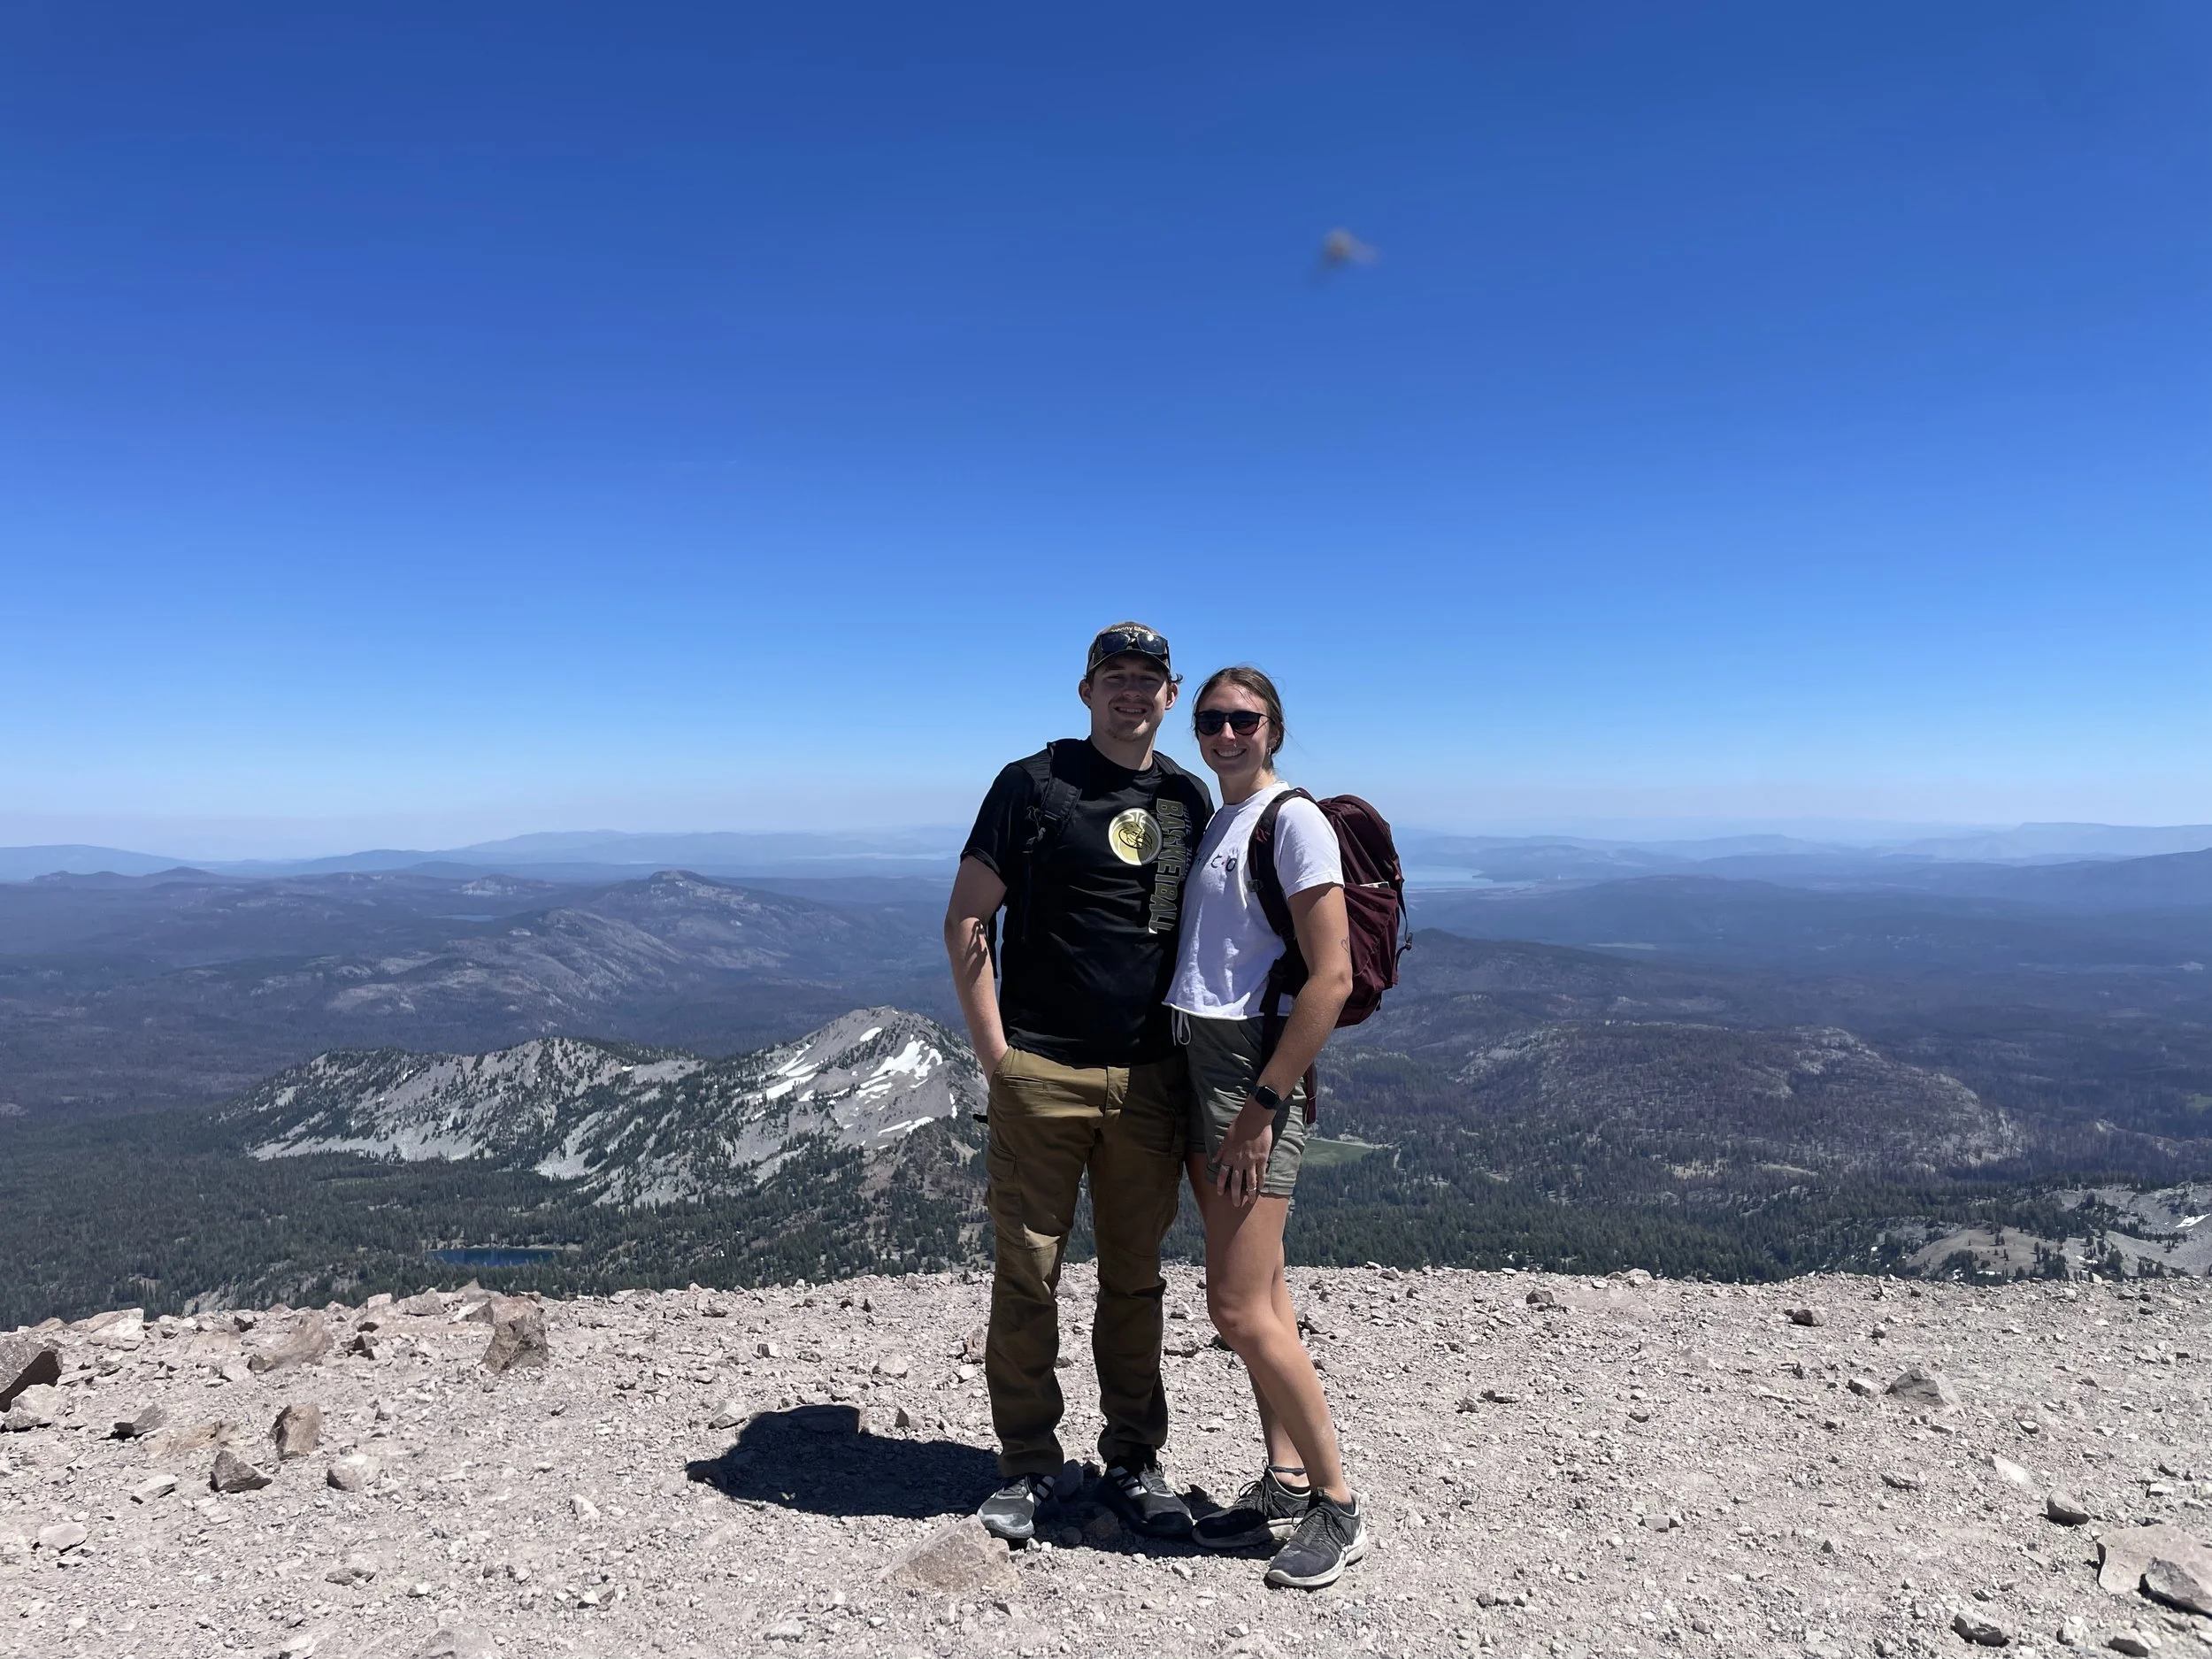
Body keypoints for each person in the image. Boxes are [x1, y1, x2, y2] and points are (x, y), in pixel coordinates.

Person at [944, 622, 1216, 1545]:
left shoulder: (1184, 795)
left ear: (1169, 695)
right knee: (1028, 1280)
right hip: (1042, 1072)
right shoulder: (1032, 785)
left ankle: (1134, 1460)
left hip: (1151, 1075)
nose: (1131, 692)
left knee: (1135, 1284)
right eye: (1115, 677)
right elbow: (968, 920)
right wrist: (999, 1059)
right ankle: (1027, 1464)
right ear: (1085, 690)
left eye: (1147, 679)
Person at [1165, 664, 1368, 1589]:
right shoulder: (1223, 818)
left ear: (1273, 727)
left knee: (1236, 1309)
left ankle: (1337, 1503)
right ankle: (1284, 1483)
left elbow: (1330, 978)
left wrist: (1262, 1105)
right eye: (1210, 719)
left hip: (1245, 1073)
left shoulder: (1294, 821)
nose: (1224, 732)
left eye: (1242, 718)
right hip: (1201, 1060)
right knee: (1268, 1294)